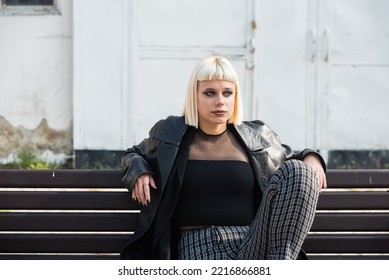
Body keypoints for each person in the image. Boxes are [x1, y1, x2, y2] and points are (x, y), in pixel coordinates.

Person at [120, 55, 327, 260]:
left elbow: (291, 161)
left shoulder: (256, 137)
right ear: (195, 96)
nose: (220, 102)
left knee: (299, 171)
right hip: (198, 247)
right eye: (210, 93)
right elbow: (133, 153)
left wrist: (311, 157)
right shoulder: (169, 134)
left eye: (227, 93)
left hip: (253, 244)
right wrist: (141, 170)